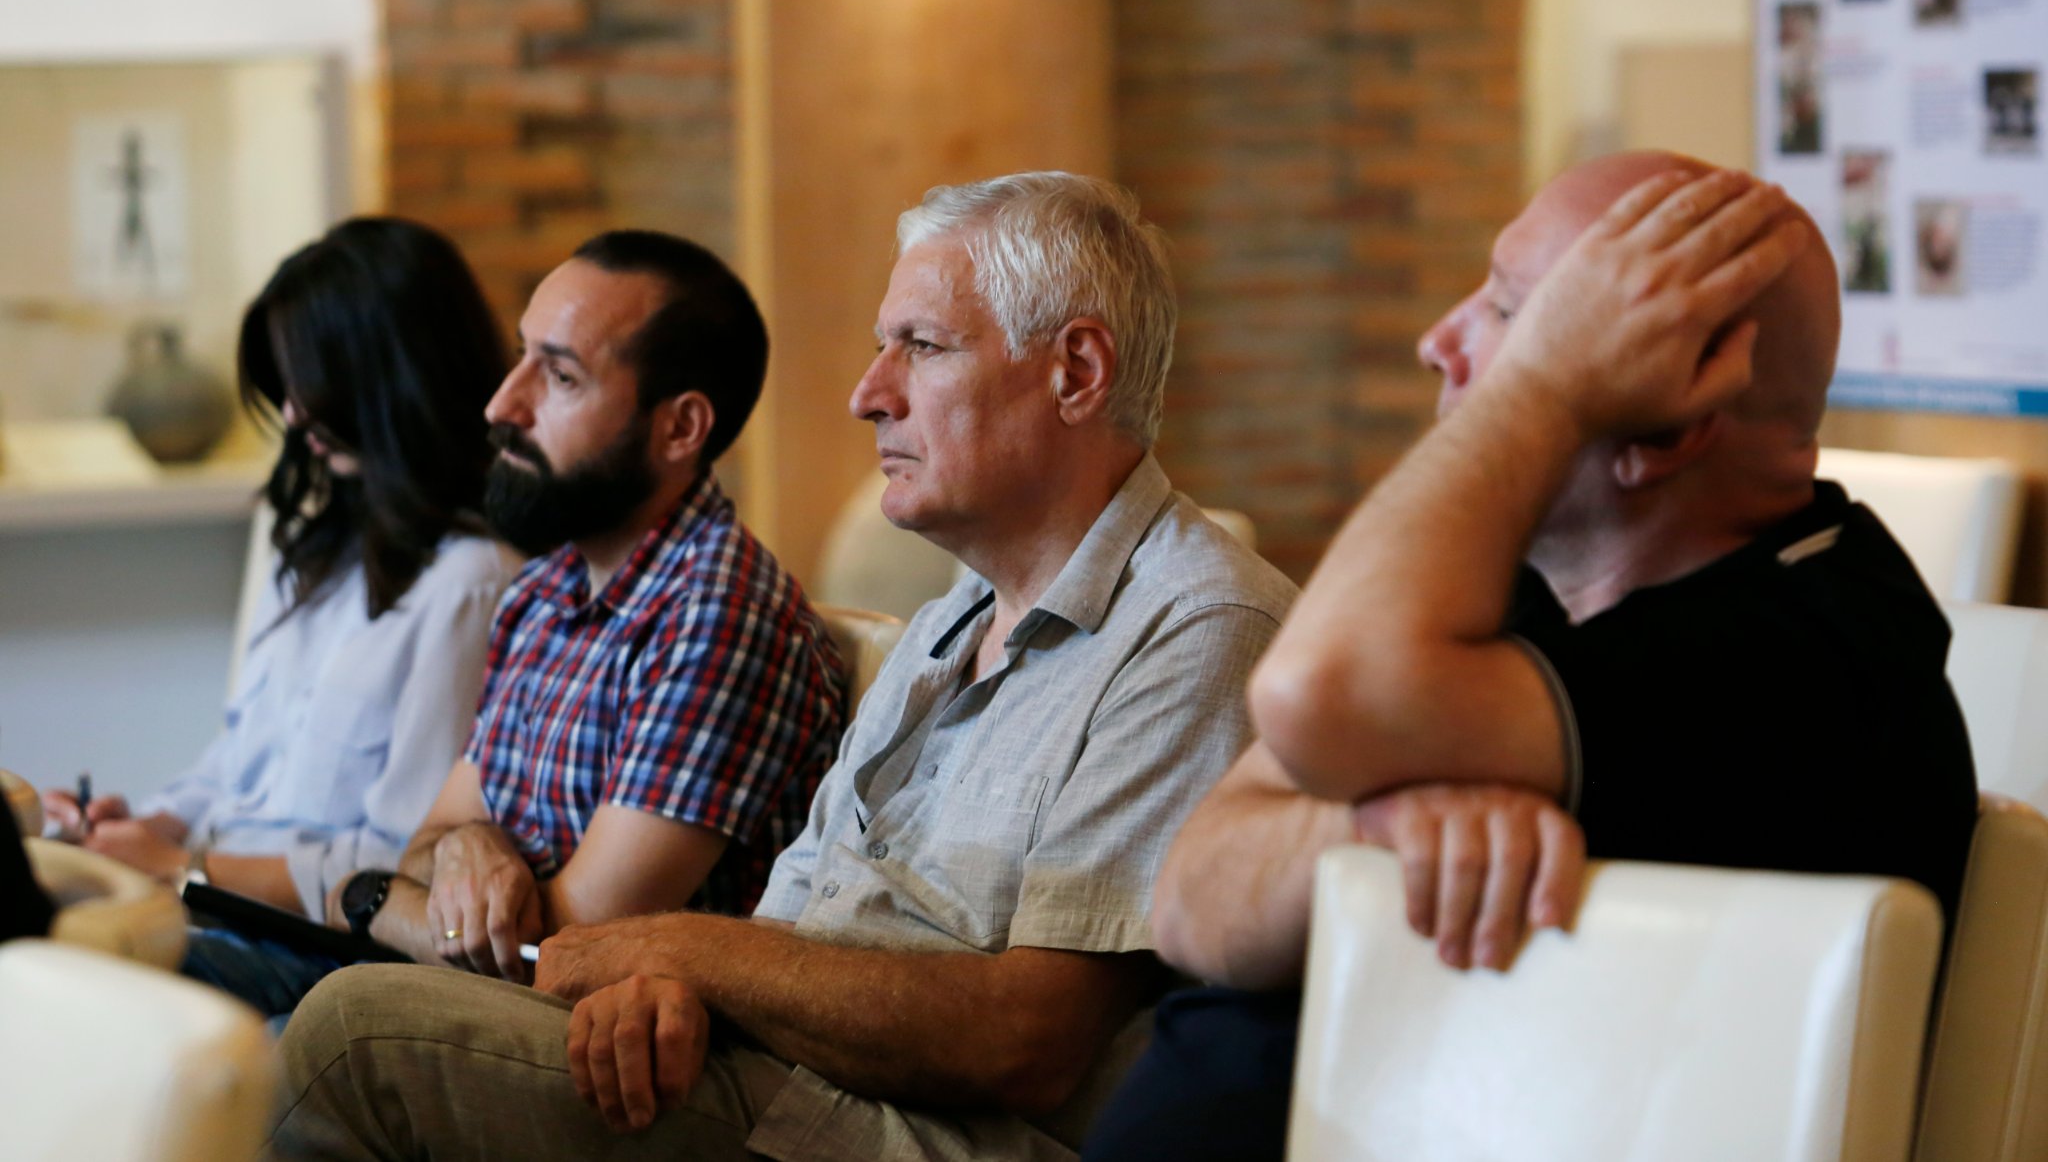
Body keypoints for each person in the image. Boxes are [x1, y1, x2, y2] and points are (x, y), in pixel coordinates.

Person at [265, 172, 1297, 1162]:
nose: (867, 394)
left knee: (348, 1037)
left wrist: (671, 954)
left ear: (1075, 372)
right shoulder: (948, 624)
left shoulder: (1199, 626)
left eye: (921, 347)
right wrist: (669, 988)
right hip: (777, 1083)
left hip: (901, 1138)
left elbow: (1024, 1040)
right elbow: (784, 927)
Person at [1082, 154, 1981, 1160]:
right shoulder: (1524, 581)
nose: (1437, 342)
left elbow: (1313, 695)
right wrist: (1370, 824)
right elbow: (1191, 896)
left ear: (1671, 424)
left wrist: (1542, 390)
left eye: (1514, 315)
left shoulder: (1805, 655)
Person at [339, 230, 845, 985]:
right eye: (522, 356)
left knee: (319, 1014)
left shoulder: (716, 616)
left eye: (561, 377)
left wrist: (371, 897)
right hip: (485, 1002)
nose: (503, 404)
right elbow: (429, 844)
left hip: (619, 1043)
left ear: (680, 428)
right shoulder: (543, 591)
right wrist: (469, 844)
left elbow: (566, 956)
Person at [43, 217, 518, 1015]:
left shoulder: (472, 583)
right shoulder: (317, 542)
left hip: (314, 948)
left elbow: (403, 863)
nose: (294, 416)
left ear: (393, 379)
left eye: (311, 386)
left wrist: (184, 865)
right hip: (212, 900)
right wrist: (137, 824)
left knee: (60, 961)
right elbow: (237, 765)